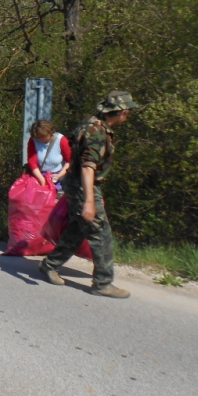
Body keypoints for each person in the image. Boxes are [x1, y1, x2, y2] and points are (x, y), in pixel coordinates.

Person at [38, 91, 140, 298]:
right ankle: (102, 283)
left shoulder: (90, 123)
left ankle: (50, 265)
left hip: (76, 184)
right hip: (84, 186)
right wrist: (89, 202)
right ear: (120, 113)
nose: (128, 116)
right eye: (127, 112)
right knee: (100, 232)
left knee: (78, 228)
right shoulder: (98, 133)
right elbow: (87, 167)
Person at [27, 119, 71, 198]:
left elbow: (69, 161)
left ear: (50, 133)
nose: (41, 140)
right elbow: (32, 162)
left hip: (58, 177)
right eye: (39, 138)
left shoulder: (61, 140)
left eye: (44, 137)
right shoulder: (33, 141)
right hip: (40, 176)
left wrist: (59, 176)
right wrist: (42, 180)